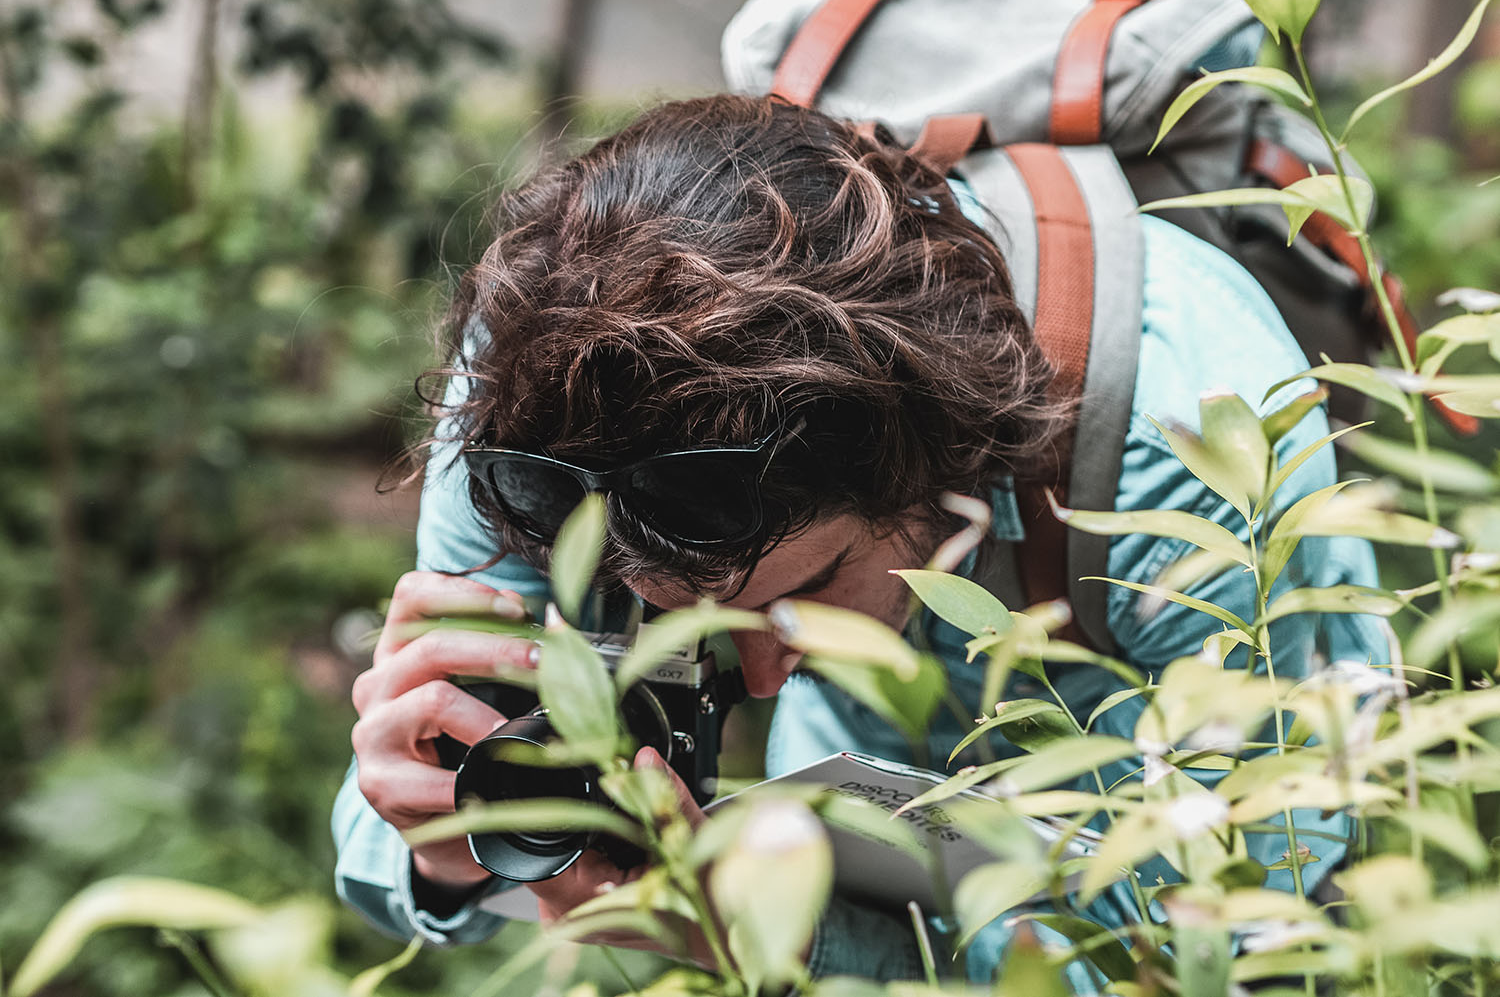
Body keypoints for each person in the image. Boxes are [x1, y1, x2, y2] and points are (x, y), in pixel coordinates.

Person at [332, 95, 1386, 988]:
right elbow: (396, 838)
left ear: (932, 459)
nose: (757, 676)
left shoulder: (1200, 444)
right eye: (668, 610)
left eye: (798, 594)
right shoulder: (536, 375)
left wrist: (771, 927)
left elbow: (1239, 951)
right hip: (860, 812)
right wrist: (446, 847)